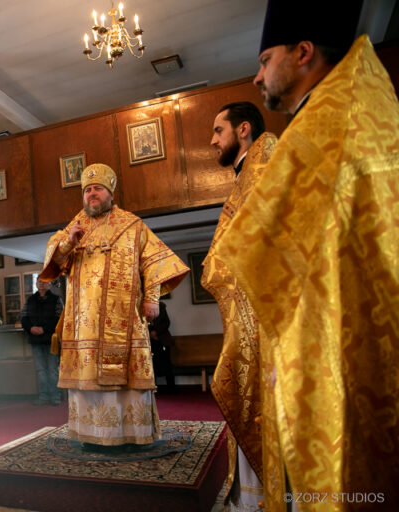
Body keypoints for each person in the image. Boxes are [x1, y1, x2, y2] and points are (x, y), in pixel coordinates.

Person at [211, 1, 399, 508]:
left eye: (264, 59)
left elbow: (264, 252)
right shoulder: (355, 105)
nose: (256, 77)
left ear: (303, 52)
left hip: (333, 343)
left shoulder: (324, 127)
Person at [40, 163, 189, 448]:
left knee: (127, 377)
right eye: (86, 190)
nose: (91, 194)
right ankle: (92, 436)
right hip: (84, 324)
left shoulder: (133, 225)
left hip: (124, 317)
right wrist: (68, 244)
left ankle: (131, 435)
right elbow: (53, 264)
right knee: (89, 378)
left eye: (97, 189)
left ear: (110, 193)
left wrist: (152, 298)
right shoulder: (74, 228)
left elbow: (154, 262)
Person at [202, 101, 277, 510]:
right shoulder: (246, 174)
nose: (213, 140)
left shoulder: (265, 160)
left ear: (242, 129)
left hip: (266, 317)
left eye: (218, 130)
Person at [21, 279, 63, 406]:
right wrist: (30, 328)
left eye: (44, 282)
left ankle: (55, 396)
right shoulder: (30, 300)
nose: (41, 284)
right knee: (40, 370)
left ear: (49, 285)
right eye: (39, 282)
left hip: (51, 339)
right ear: (36, 284)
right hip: (35, 339)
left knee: (52, 369)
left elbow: (60, 318)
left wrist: (44, 329)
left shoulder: (56, 299)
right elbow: (23, 317)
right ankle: (43, 396)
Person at [147, 300, 174, 392]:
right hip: (149, 340)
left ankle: (171, 388)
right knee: (152, 365)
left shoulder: (161, 306)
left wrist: (156, 332)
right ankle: (154, 389)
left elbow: (166, 322)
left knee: (167, 364)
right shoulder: (142, 305)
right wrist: (151, 333)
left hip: (162, 339)